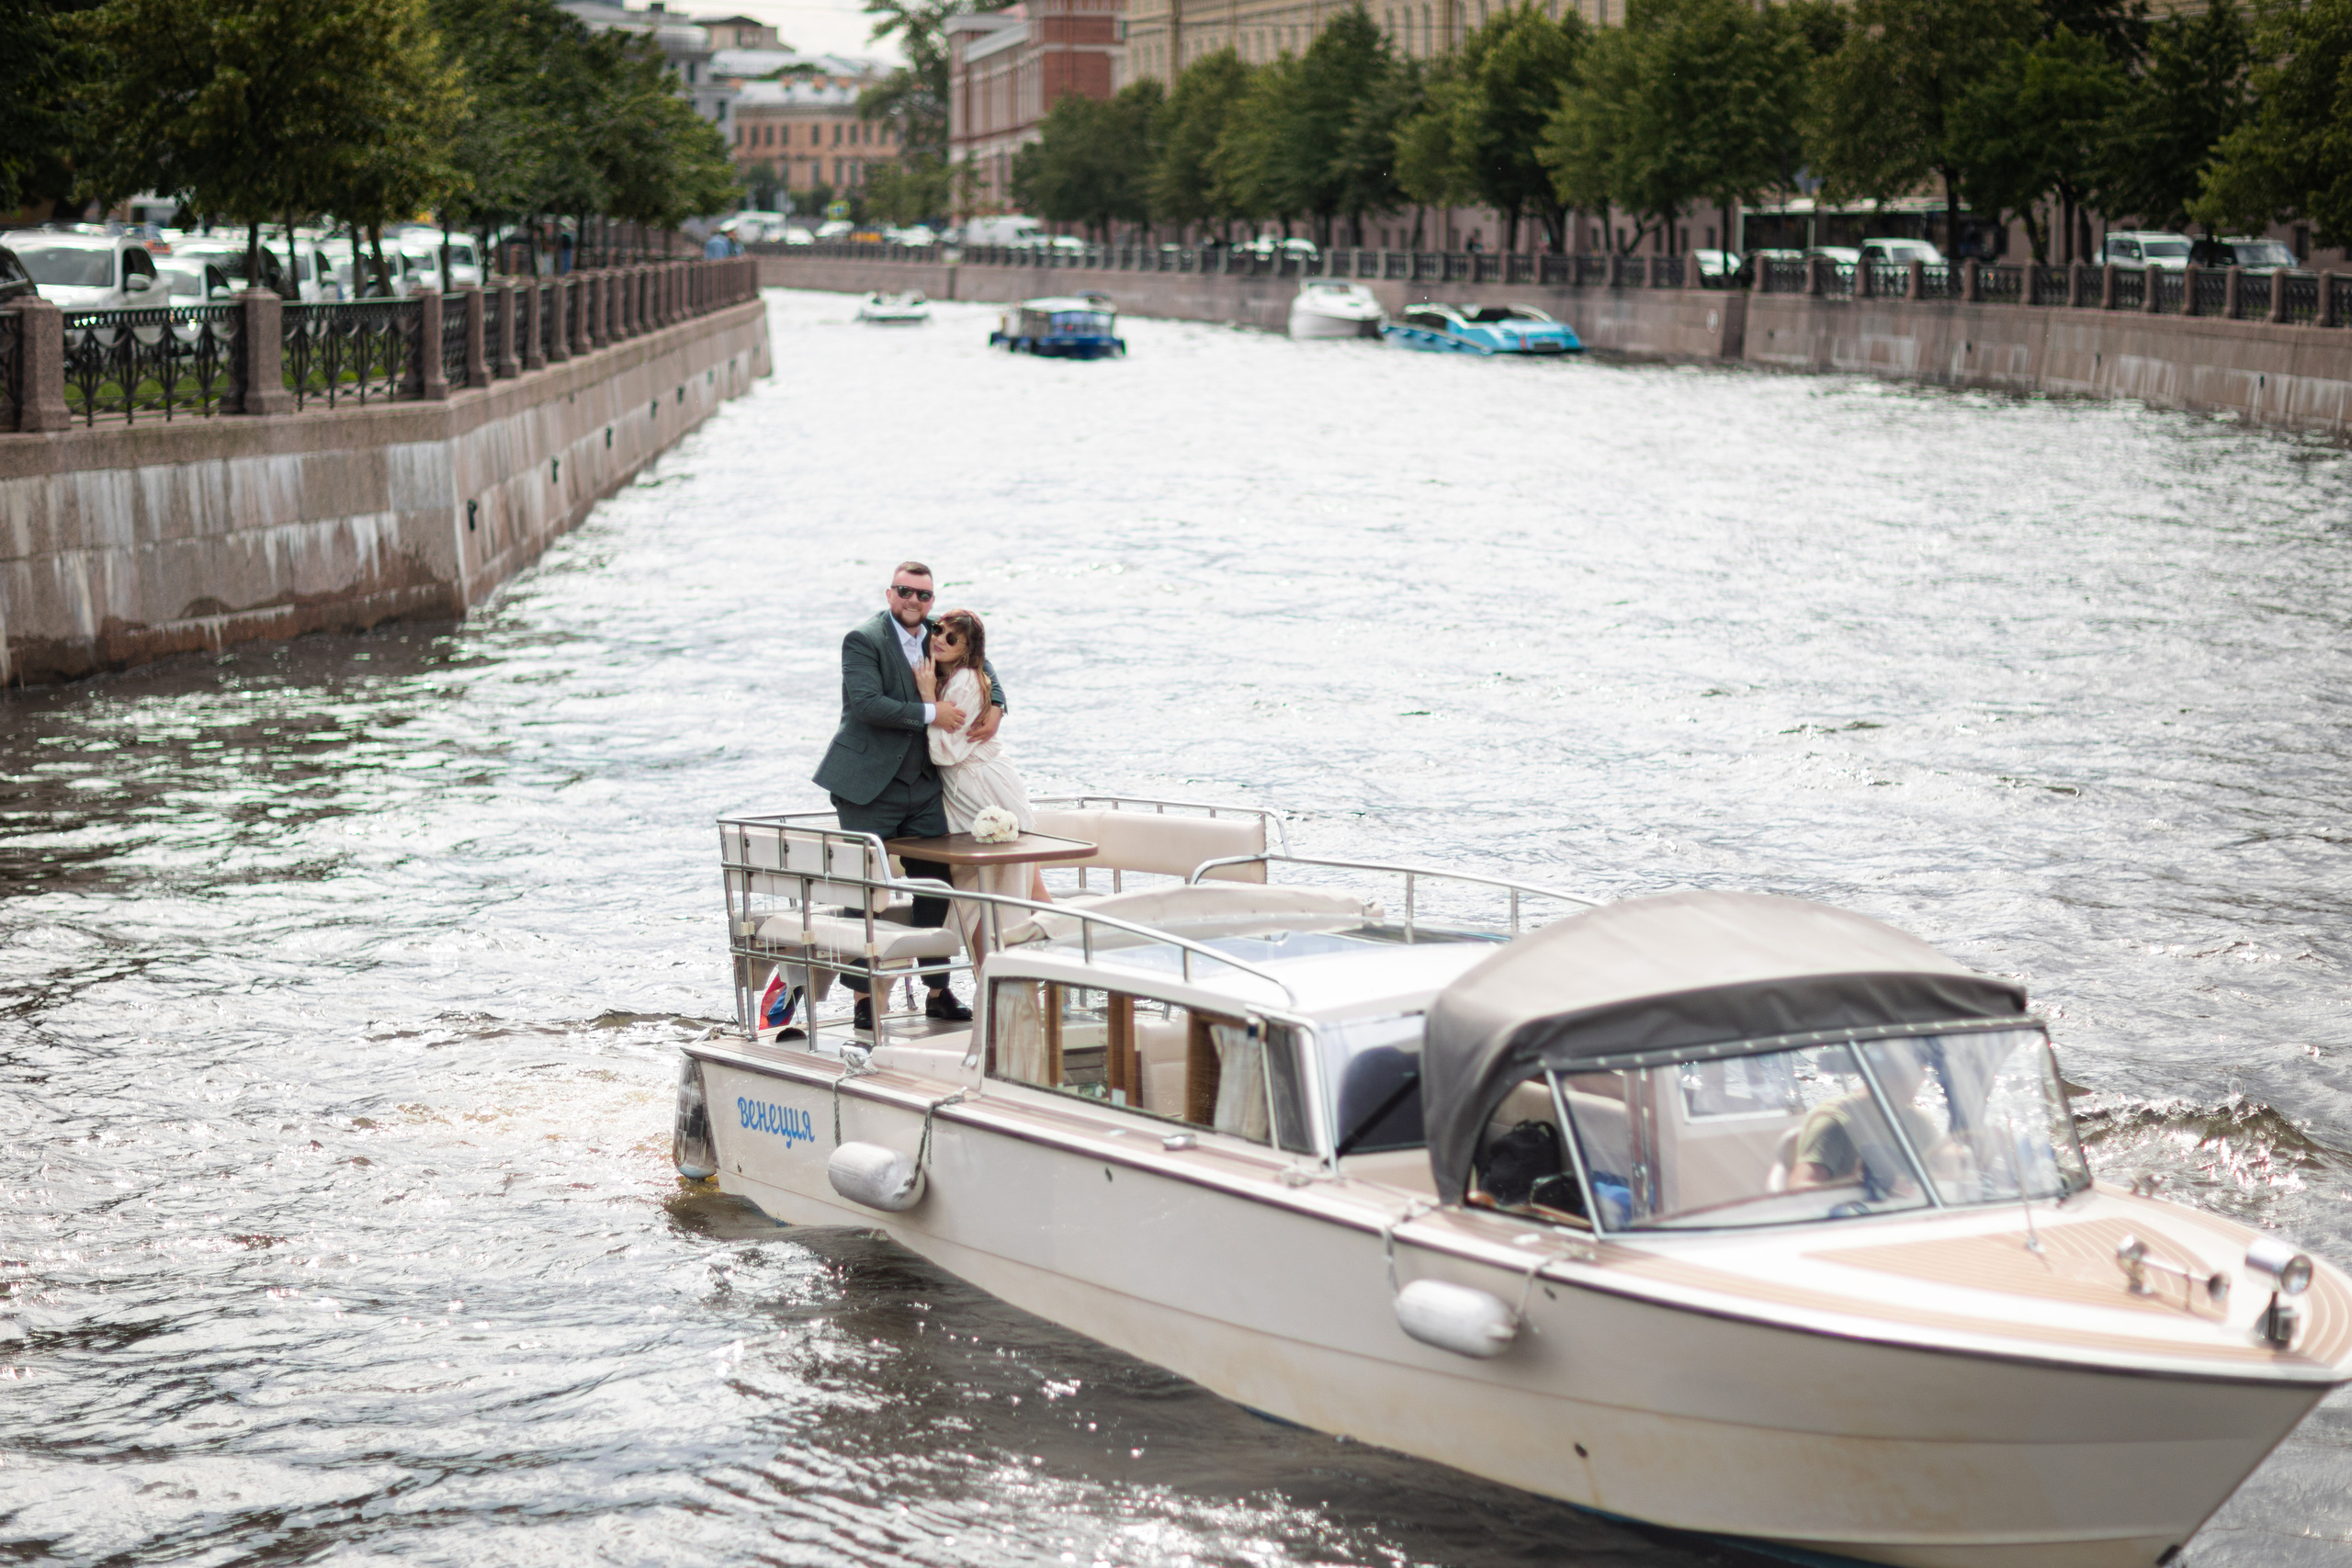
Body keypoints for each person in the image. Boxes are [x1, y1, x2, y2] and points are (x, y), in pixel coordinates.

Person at [811, 562, 1007, 1033]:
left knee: (934, 885)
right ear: (890, 593)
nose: (914, 601)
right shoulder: (863, 640)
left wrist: (997, 703)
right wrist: (931, 712)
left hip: (922, 787)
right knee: (864, 892)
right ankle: (863, 999)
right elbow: (867, 704)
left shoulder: (939, 633)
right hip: (866, 785)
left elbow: (981, 663)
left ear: (932, 601)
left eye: (923, 594)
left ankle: (937, 992)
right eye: (905, 592)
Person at [917, 608, 1049, 905]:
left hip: (986, 787)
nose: (940, 639)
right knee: (989, 893)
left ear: (966, 651)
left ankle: (1061, 947)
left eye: (952, 639)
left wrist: (929, 701)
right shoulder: (923, 626)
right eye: (938, 631)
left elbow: (943, 751)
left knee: (1026, 886)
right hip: (970, 789)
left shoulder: (964, 680)